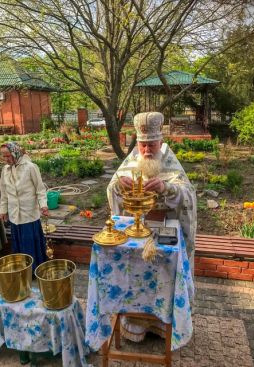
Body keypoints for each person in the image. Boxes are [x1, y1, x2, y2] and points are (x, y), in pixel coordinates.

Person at [107, 111, 197, 342]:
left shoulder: (171, 164)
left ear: (161, 143)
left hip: (165, 229)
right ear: (137, 143)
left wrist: (168, 188)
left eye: (151, 145)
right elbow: (112, 190)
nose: (147, 150)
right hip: (137, 232)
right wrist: (118, 186)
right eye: (143, 145)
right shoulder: (131, 162)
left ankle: (162, 324)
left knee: (163, 280)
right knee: (135, 277)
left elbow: (188, 197)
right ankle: (135, 323)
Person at [0, 142, 48, 271]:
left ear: (15, 152)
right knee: (19, 244)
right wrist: (3, 210)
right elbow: (4, 192)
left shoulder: (30, 167)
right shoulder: (5, 170)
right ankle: (23, 270)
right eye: (3, 156)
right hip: (14, 214)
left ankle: (34, 270)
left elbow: (40, 189)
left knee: (30, 243)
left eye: (8, 156)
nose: (6, 159)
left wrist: (43, 205)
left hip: (29, 214)